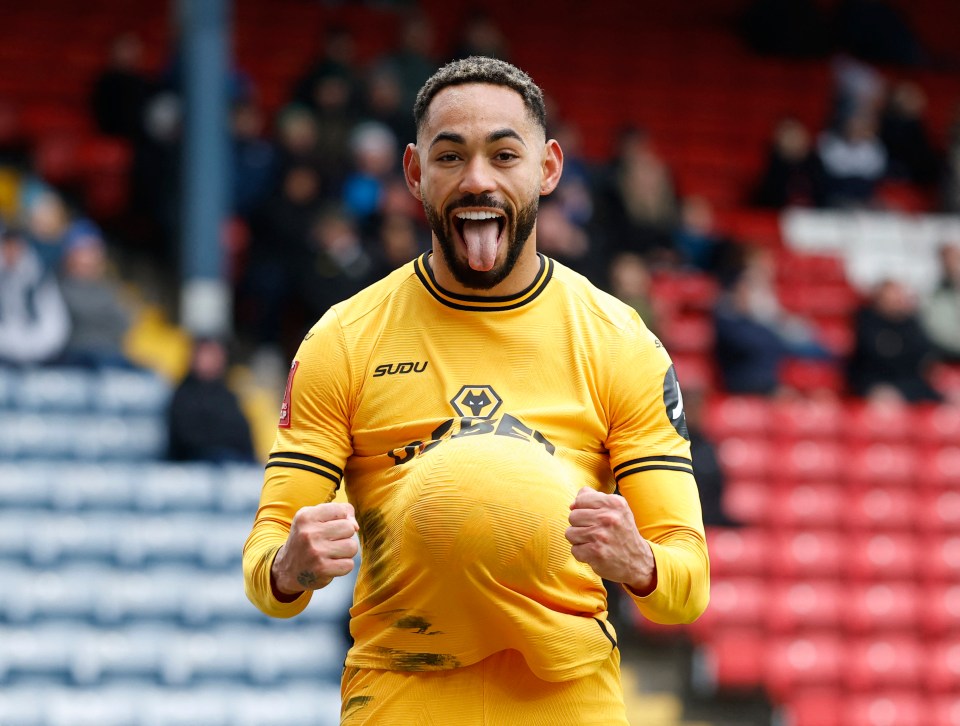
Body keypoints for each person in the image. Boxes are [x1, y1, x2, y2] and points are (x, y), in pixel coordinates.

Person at [243, 57, 709, 725]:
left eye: (503, 154)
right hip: (400, 699)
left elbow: (686, 588)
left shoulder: (620, 341)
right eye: (451, 156)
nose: (478, 179)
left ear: (547, 169)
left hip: (569, 701)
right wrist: (290, 565)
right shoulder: (341, 340)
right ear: (414, 173)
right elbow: (266, 568)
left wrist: (640, 564)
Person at [166, 337, 256, 463]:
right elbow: (187, 439)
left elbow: (242, 433)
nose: (214, 360)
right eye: (208, 355)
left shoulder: (228, 394)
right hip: (195, 464)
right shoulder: (183, 395)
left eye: (217, 355)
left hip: (232, 462)